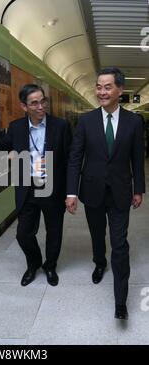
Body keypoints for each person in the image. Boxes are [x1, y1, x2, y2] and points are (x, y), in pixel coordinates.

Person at [0, 84, 72, 287]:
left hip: (53, 188)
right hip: (27, 189)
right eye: (34, 103)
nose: (41, 106)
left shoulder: (60, 126)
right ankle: (33, 265)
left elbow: (70, 161)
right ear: (24, 106)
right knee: (23, 233)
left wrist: (71, 193)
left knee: (54, 231)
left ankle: (50, 266)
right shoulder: (17, 128)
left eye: (43, 101)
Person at [66, 67, 145, 320]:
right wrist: (71, 192)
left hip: (121, 191)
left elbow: (137, 157)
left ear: (120, 90)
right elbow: (75, 158)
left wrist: (139, 189)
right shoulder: (86, 121)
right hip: (93, 189)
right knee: (97, 234)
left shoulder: (134, 122)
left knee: (120, 243)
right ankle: (100, 261)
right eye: (99, 86)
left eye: (107, 87)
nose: (101, 91)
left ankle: (120, 301)